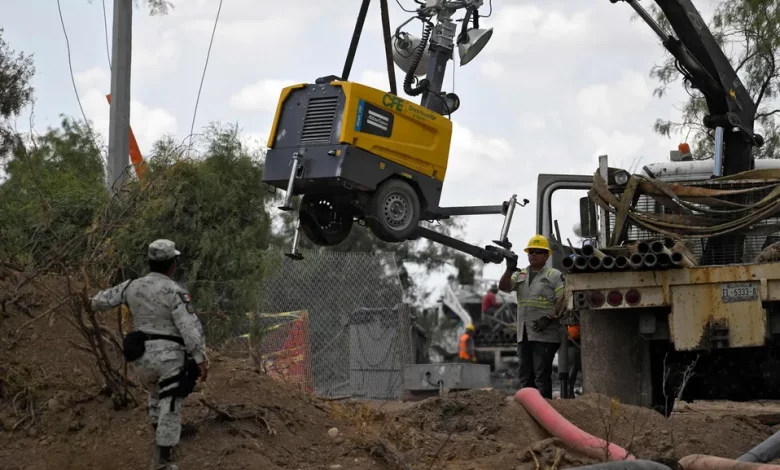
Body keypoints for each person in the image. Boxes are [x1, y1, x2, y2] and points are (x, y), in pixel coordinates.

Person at [90, 239, 208, 470]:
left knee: (156, 393)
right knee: (170, 400)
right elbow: (189, 328)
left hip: (141, 358)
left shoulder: (131, 286)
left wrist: (87, 302)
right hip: (169, 357)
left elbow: (100, 301)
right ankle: (164, 458)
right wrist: (200, 358)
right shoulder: (175, 292)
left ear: (150, 262)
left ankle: (161, 434)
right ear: (173, 264)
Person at [498, 234, 564, 399]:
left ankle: (544, 407)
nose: (533, 254)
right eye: (531, 251)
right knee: (525, 375)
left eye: (538, 251)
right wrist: (509, 269)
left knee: (541, 375)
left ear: (546, 255)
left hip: (546, 335)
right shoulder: (520, 274)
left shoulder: (554, 275)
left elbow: (562, 298)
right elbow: (504, 287)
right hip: (524, 334)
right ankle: (529, 409)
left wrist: (550, 317)